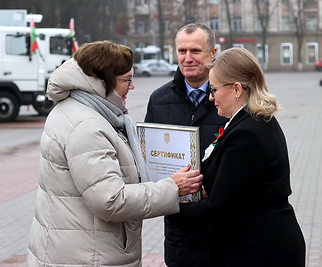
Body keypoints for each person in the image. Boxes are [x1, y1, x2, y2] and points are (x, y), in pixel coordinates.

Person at [27, 40, 203, 267]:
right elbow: (110, 200)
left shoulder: (78, 109)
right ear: (102, 81)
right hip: (89, 255)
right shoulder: (88, 126)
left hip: (78, 249)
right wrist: (173, 188)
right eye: (127, 80)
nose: (132, 87)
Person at [168, 47, 306, 266]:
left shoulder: (247, 133)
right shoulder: (251, 122)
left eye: (213, 89)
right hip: (257, 242)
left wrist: (172, 209)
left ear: (236, 89)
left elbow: (220, 206)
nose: (211, 97)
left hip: (259, 249)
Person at [144, 23, 228, 267]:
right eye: (182, 51)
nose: (188, 58)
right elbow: (149, 159)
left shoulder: (231, 97)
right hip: (180, 230)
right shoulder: (159, 100)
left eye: (195, 51)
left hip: (224, 228)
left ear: (213, 54)